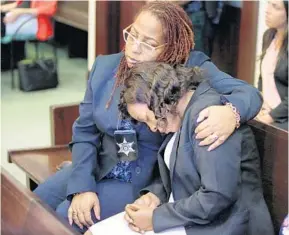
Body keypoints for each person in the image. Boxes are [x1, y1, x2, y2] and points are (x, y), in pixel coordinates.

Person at [33, 2, 262, 234]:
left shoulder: (189, 65)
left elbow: (249, 93)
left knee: (66, 216)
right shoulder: (105, 68)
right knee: (36, 204)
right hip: (100, 164)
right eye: (132, 35)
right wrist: (82, 186)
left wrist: (231, 113)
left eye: (149, 44)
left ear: (172, 47)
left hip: (142, 179)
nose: (134, 49)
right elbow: (85, 133)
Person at [121, 62, 274, 235]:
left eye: (148, 118)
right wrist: (155, 196)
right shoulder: (178, 114)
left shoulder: (208, 118)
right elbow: (183, 175)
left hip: (226, 226)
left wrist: (156, 218)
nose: (152, 128)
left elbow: (217, 196)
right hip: (194, 220)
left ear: (159, 99)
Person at [255, 0, 288, 130]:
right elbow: (263, 78)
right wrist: (260, 103)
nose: (267, 10)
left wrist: (271, 116)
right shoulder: (269, 36)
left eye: (275, 7)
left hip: (283, 117)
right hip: (267, 111)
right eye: (268, 3)